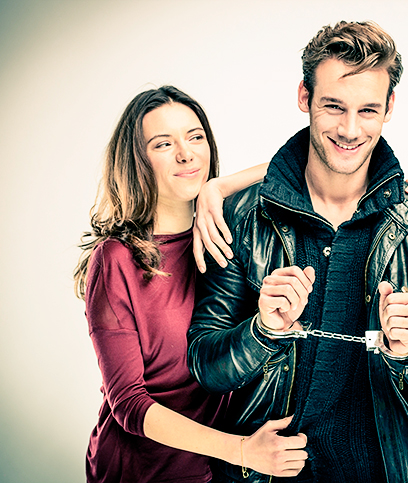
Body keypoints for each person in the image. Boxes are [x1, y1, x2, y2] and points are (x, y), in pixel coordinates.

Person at [186, 21, 408, 483]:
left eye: (368, 110)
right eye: (334, 107)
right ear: (304, 98)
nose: (350, 129)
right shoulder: (241, 217)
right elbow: (205, 364)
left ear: (390, 108)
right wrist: (262, 330)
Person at [73, 85, 308, 483]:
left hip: (214, 472)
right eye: (163, 144)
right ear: (137, 161)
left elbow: (309, 161)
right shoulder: (117, 259)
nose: (186, 154)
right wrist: (241, 450)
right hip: (140, 471)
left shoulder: (229, 235)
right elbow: (128, 404)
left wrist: (220, 186)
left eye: (195, 137)